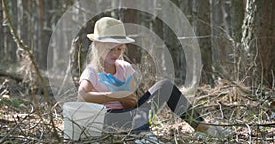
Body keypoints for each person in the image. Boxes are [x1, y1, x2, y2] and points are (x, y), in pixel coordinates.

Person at [77, 17, 230, 137]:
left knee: (165, 86)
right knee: (136, 115)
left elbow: (132, 102)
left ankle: (202, 127)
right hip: (106, 119)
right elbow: (82, 95)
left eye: (119, 49)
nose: (115, 53)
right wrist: (113, 95)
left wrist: (127, 98)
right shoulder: (92, 71)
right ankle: (142, 135)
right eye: (111, 49)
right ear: (98, 46)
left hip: (130, 115)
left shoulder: (125, 68)